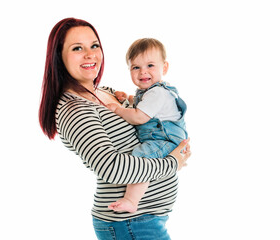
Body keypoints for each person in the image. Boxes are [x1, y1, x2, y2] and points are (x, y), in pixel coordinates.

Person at [39, 18, 191, 240]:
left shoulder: (106, 92)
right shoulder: (74, 109)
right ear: (59, 57)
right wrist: (173, 163)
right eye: (77, 48)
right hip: (129, 224)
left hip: (145, 219)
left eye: (94, 45)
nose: (90, 54)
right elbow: (112, 168)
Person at [106, 38, 188, 214]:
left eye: (150, 65)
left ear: (164, 67)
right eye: (136, 67)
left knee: (140, 158)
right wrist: (127, 99)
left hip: (165, 139)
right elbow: (142, 105)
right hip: (164, 138)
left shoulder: (157, 92)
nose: (143, 72)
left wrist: (118, 110)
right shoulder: (151, 92)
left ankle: (131, 200)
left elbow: (140, 116)